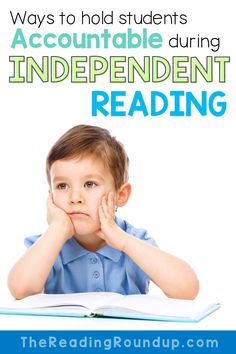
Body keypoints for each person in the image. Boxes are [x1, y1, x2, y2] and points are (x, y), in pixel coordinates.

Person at [8, 125, 199, 300]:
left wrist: (123, 242)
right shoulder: (48, 245)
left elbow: (187, 290)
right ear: (51, 197)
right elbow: (20, 290)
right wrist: (57, 228)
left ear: (120, 195)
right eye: (62, 186)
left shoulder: (132, 241)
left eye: (90, 184)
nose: (75, 197)